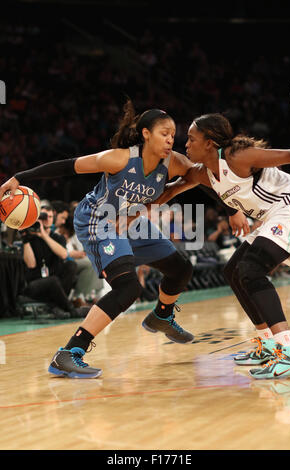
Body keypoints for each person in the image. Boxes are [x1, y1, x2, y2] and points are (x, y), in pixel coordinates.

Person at [0, 101, 247, 379]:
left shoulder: (174, 162)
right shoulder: (118, 158)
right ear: (145, 134)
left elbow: (208, 178)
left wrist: (232, 210)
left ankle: (162, 315)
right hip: (98, 219)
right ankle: (69, 353)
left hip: (131, 221)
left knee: (181, 268)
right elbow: (67, 167)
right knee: (128, 288)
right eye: (164, 133)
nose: (170, 140)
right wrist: (19, 178)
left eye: (173, 135)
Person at [155, 112, 290, 379]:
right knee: (234, 270)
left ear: (210, 143)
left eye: (191, 139)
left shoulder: (237, 156)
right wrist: (134, 211)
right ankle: (268, 344)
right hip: (274, 216)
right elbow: (172, 190)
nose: (185, 145)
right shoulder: (203, 173)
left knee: (251, 270)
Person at [20, 204, 87, 319]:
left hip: (56, 284)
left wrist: (44, 236)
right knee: (52, 281)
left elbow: (64, 254)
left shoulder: (58, 238)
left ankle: (56, 307)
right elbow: (31, 264)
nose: (46, 219)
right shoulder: (29, 238)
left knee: (71, 265)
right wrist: (25, 240)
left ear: (53, 219)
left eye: (49, 217)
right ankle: (71, 310)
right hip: (35, 284)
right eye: (43, 216)